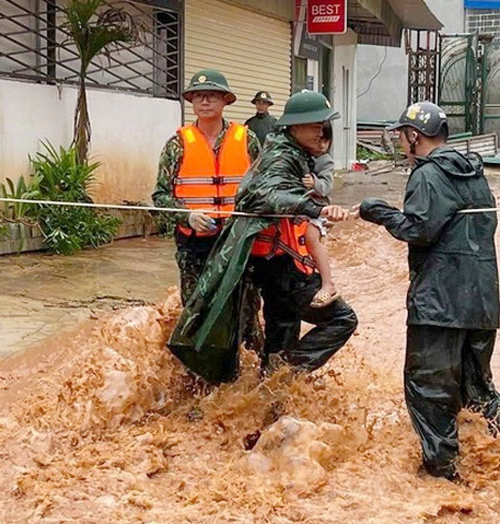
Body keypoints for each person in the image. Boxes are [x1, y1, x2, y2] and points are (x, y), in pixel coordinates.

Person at [355, 102, 500, 480]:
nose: (399, 142)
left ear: (415, 136)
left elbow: (418, 230)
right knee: (477, 388)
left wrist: (376, 211)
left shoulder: (427, 175)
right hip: (482, 301)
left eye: (401, 135)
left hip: (439, 304)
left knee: (428, 389)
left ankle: (442, 478)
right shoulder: (475, 174)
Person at [168, 91, 357, 384]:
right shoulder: (282, 157)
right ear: (294, 127)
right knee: (342, 320)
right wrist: (315, 208)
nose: (321, 130)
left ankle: (269, 393)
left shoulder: (288, 152)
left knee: (278, 337)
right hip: (278, 264)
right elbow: (265, 195)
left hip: (276, 260)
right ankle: (282, 376)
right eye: (314, 124)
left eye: (323, 124)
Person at [151, 69, 263, 350]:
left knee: (247, 310)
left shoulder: (247, 140)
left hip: (238, 242)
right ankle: (195, 374)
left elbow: (263, 189)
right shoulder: (177, 145)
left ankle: (253, 375)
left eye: (211, 95)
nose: (204, 101)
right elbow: (160, 196)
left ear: (225, 100)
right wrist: (187, 215)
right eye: (198, 96)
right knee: (196, 310)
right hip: (194, 245)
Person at [301, 121, 338, 308]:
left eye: (326, 141)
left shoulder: (326, 161)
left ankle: (328, 283)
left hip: (319, 208)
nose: (322, 145)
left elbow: (326, 188)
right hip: (300, 208)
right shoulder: (299, 154)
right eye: (318, 140)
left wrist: (314, 182)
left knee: (310, 235)